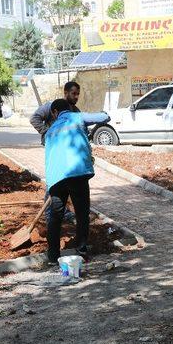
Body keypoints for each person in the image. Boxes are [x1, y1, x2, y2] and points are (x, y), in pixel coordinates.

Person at [44, 98, 110, 264]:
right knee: (81, 214)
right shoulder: (77, 117)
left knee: (55, 217)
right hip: (77, 173)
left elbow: (49, 157)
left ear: (54, 113)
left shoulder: (50, 131)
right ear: (69, 108)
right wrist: (104, 114)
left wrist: (50, 184)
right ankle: (81, 252)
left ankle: (53, 256)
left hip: (56, 178)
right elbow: (103, 118)